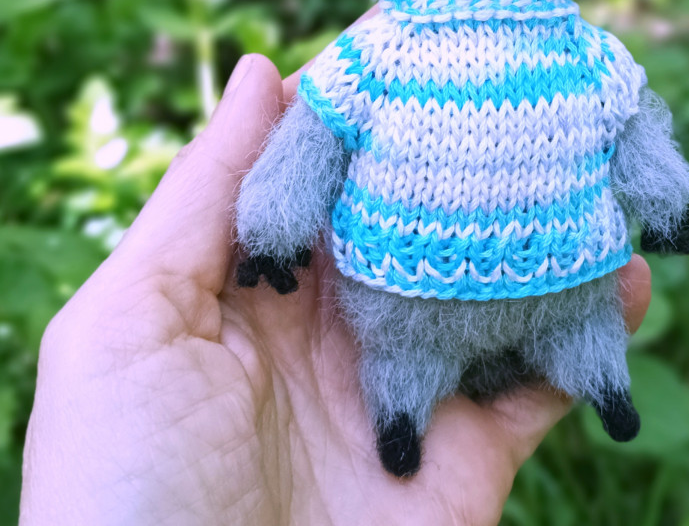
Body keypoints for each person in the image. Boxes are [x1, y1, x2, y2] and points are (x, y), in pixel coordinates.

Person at [20, 54, 652, 526]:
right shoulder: (376, 56)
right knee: (406, 364)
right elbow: (306, 149)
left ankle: (604, 387)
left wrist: (665, 199)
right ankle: (400, 423)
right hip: (412, 296)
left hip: (557, 284)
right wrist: (274, 230)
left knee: (581, 337)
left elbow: (636, 131)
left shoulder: (585, 55)